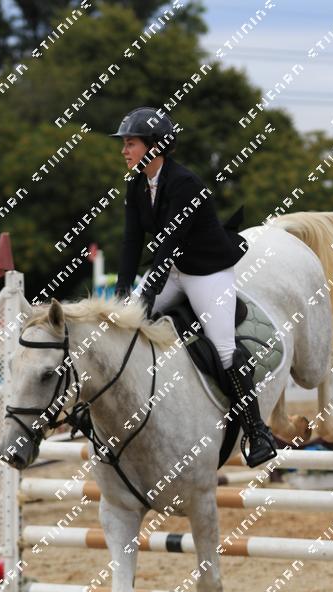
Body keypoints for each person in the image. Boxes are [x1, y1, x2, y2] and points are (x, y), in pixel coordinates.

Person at [109, 106, 276, 467]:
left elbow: (170, 241)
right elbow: (131, 241)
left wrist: (148, 292)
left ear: (155, 145)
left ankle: (257, 430)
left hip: (206, 271)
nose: (124, 150)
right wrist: (123, 293)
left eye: (131, 143)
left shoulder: (184, 183)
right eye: (124, 144)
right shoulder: (136, 184)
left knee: (224, 348)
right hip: (173, 270)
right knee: (122, 326)